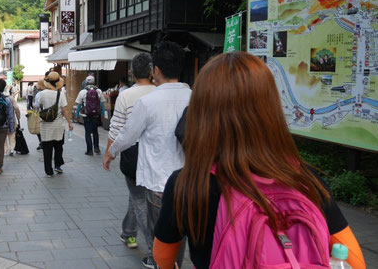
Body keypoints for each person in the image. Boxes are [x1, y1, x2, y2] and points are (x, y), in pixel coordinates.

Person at [152, 52, 366, 269]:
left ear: (201, 111)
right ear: (270, 108)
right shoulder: (304, 179)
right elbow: (354, 261)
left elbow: (163, 254)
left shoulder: (188, 184)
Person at [105, 40, 190, 269]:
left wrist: (111, 152)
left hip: (158, 182)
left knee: (160, 233)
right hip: (188, 180)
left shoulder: (147, 102)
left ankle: (161, 263)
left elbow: (127, 135)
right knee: (180, 232)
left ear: (156, 71)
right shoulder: (194, 96)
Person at [103, 53, 156, 260]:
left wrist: (109, 153)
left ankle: (154, 251)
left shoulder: (126, 95)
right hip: (155, 154)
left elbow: (116, 128)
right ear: (152, 71)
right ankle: (128, 233)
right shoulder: (159, 91)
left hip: (132, 154)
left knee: (139, 200)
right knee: (138, 196)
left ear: (132, 73)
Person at [33, 72, 73, 178]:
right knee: (58, 146)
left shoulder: (41, 94)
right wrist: (69, 122)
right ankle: (58, 165)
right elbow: (64, 110)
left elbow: (36, 106)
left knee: (47, 149)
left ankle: (48, 171)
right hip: (58, 125)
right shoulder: (61, 94)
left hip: (45, 125)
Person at [75, 75, 106, 155]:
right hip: (96, 115)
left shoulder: (82, 92)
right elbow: (102, 104)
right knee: (95, 131)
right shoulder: (99, 91)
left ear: (86, 82)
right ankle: (97, 148)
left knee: (87, 132)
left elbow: (78, 105)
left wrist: (77, 115)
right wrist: (102, 115)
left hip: (86, 115)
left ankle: (89, 151)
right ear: (94, 81)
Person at [4, 91, 21, 156]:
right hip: (11, 119)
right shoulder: (11, 98)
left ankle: (5, 150)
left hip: (2, 121)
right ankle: (11, 149)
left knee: (3, 135)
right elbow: (16, 108)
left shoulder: (0, 98)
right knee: (12, 134)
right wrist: (18, 116)